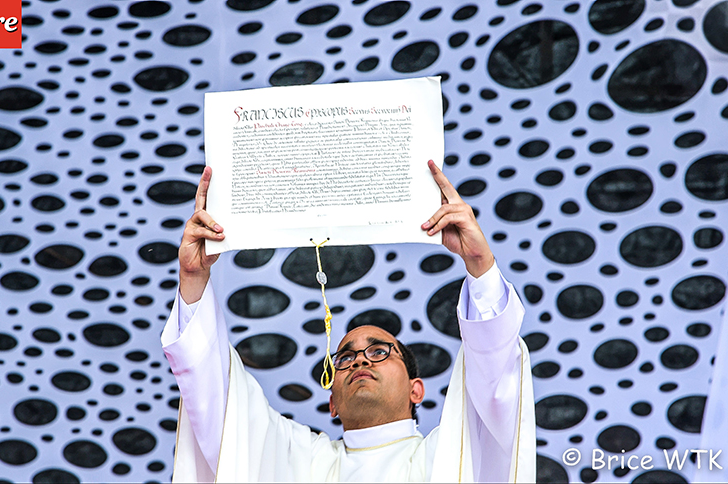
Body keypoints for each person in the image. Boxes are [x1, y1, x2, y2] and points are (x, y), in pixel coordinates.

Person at [161, 161, 536, 482]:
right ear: (332, 403)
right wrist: (193, 278)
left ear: (416, 390)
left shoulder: (447, 456)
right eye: (344, 358)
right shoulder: (302, 462)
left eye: (379, 351)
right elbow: (220, 405)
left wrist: (479, 266)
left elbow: (494, 386)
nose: (359, 361)